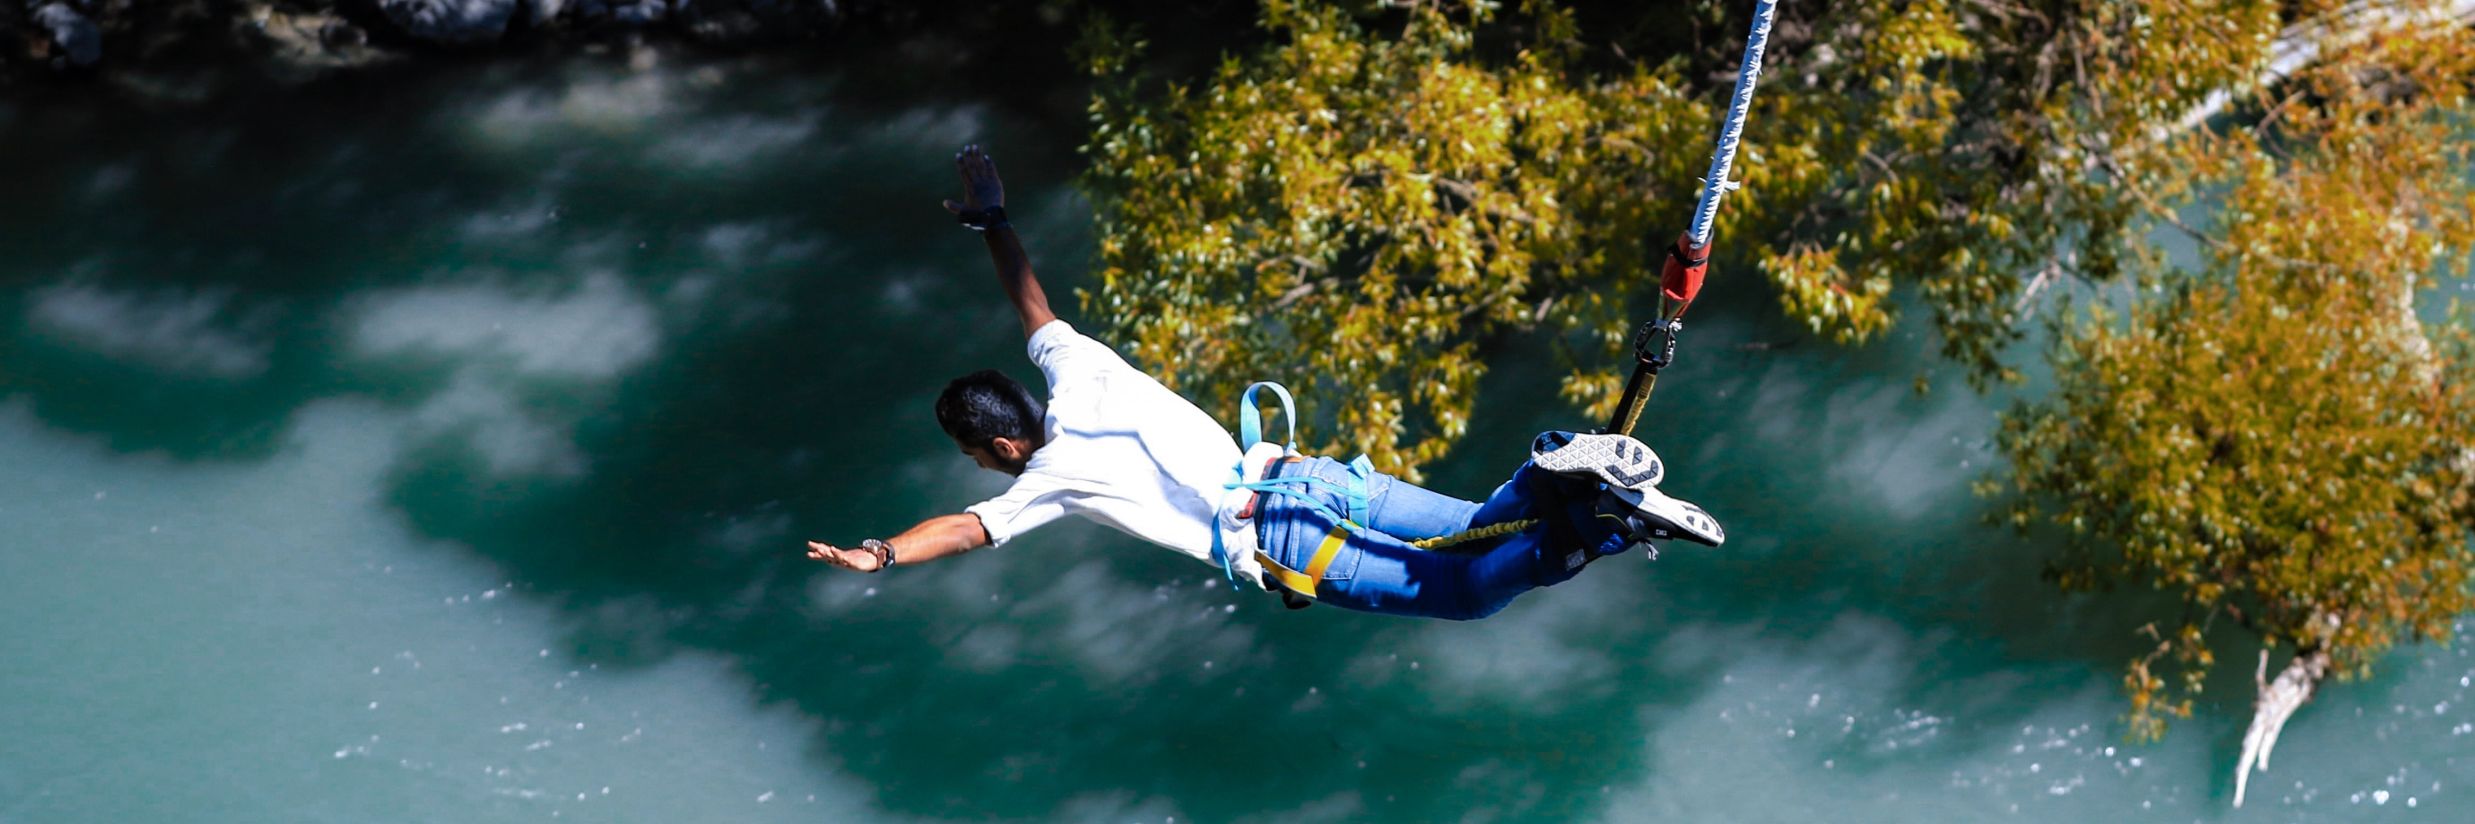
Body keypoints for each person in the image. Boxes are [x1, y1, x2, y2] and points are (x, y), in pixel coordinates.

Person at [803, 145, 1724, 620]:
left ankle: (1598, 513)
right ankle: (1564, 473)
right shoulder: (1076, 368)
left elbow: (965, 530)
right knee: (1473, 528)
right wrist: (993, 219)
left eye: (974, 455)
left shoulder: (1048, 481)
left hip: (1283, 535)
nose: (980, 471)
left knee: (1466, 591)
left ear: (1002, 445)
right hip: (1302, 475)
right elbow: (1031, 305)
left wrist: (879, 553)